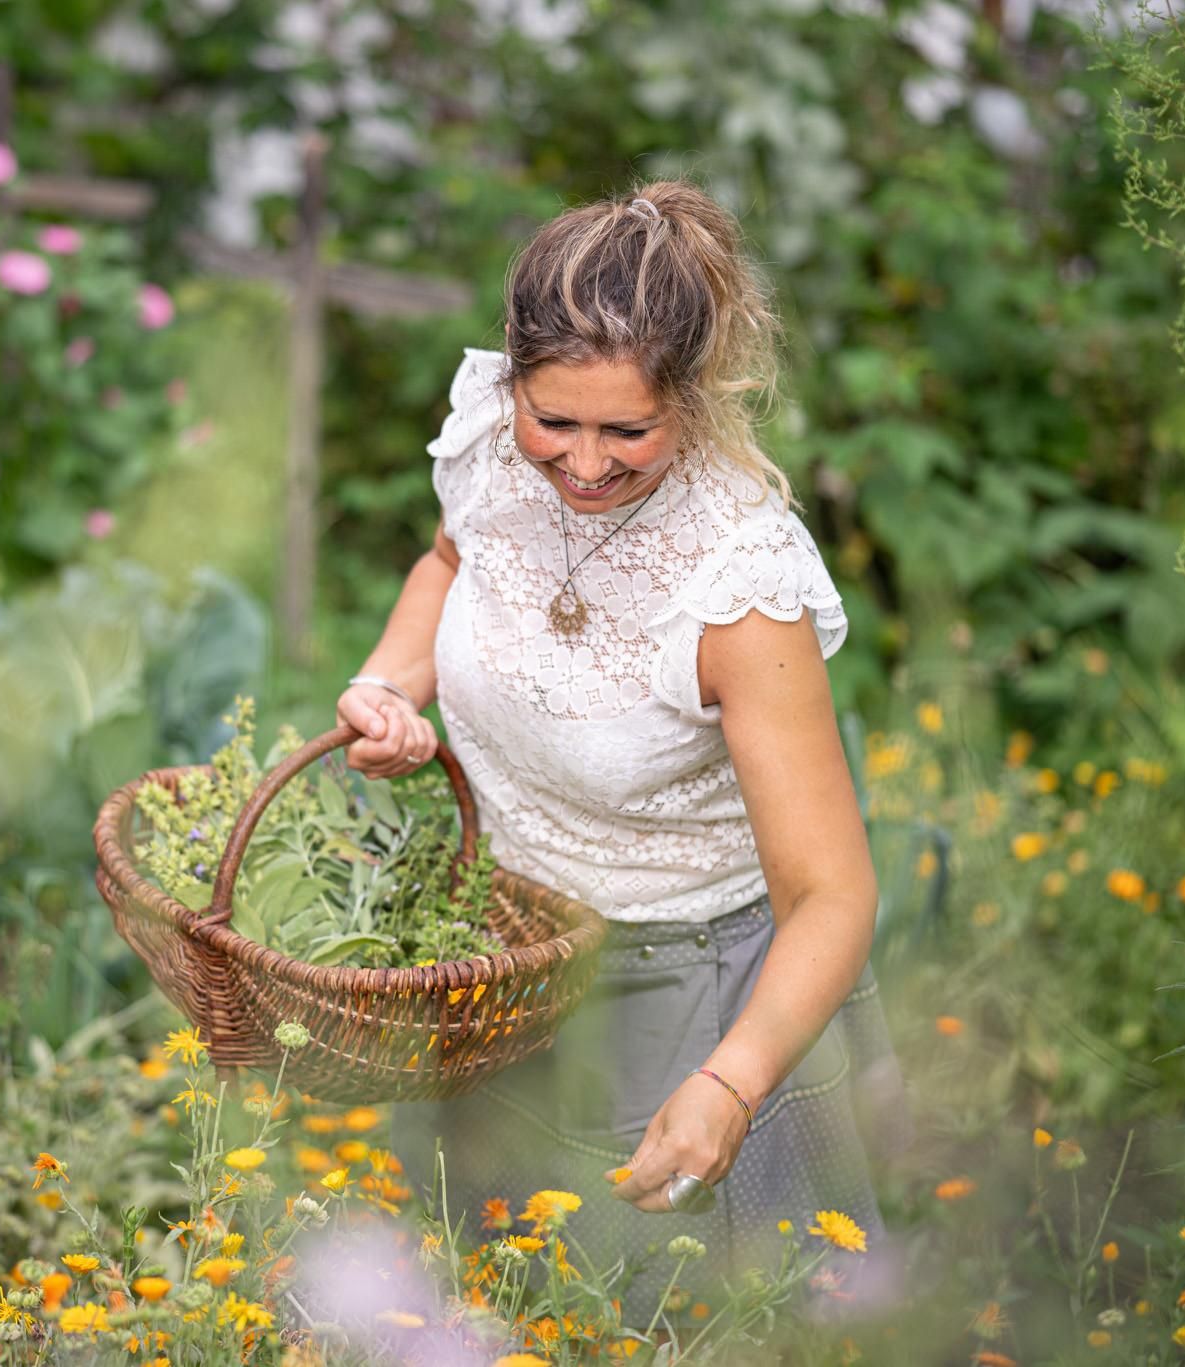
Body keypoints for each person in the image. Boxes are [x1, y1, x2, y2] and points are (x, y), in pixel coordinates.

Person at [337, 181, 904, 1324]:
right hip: (503, 956)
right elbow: (453, 562)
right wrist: (387, 686)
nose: (584, 464)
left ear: (692, 405)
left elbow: (835, 894)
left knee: (679, 1319)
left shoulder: (738, 586)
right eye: (556, 420)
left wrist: (729, 1086)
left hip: (690, 994)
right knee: (504, 1299)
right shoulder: (497, 448)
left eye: (627, 431)